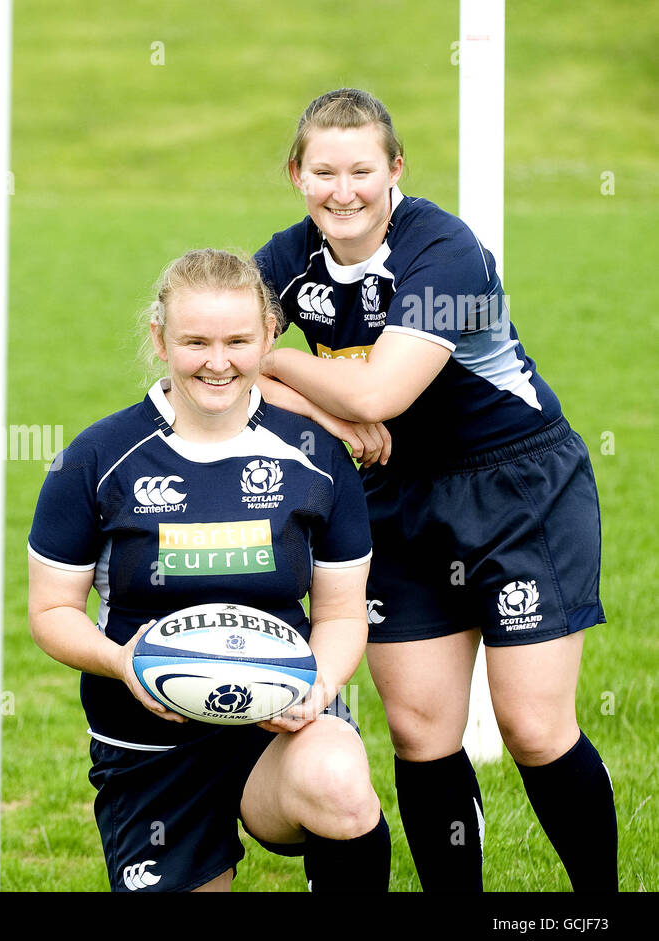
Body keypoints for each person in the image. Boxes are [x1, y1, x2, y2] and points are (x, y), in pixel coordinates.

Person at [254, 88, 614, 891]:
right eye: (323, 172)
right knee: (420, 732)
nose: (341, 191)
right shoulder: (286, 259)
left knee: (532, 726)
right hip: (397, 497)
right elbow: (212, 357)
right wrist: (327, 416)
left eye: (360, 170)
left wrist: (275, 362)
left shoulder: (446, 250)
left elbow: (380, 394)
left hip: (516, 492)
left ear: (395, 171)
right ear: (296, 175)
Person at [28, 248, 390, 892]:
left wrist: (318, 686)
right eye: (195, 341)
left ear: (269, 338)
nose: (217, 362)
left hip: (277, 729)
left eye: (237, 341)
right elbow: (52, 611)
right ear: (160, 339)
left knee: (339, 778)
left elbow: (340, 613)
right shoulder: (96, 458)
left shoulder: (314, 457)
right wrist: (121, 662)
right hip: (150, 744)